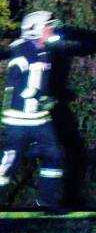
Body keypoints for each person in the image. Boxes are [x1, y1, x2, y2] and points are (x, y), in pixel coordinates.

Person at [1, 11, 68, 211]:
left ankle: (47, 204)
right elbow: (15, 83)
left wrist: (45, 98)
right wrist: (40, 98)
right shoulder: (21, 51)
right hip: (18, 120)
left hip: (40, 119)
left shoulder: (43, 50)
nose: (52, 29)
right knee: (8, 163)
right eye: (48, 26)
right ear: (35, 29)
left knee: (54, 155)